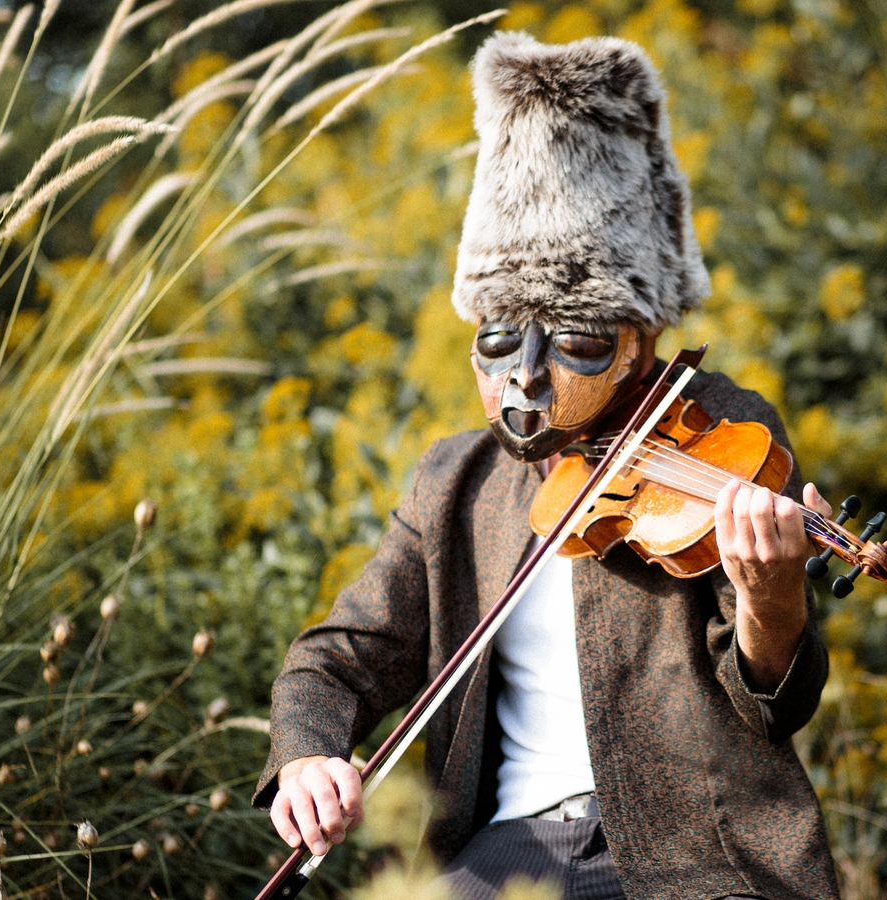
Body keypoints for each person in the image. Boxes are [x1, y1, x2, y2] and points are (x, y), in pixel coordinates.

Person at [253, 32, 840, 900]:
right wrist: (307, 756)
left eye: (576, 338)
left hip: (697, 854)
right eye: (501, 338)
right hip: (508, 849)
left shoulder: (724, 430)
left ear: (643, 339)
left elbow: (776, 705)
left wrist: (772, 600)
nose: (528, 375)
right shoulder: (454, 482)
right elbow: (339, 655)